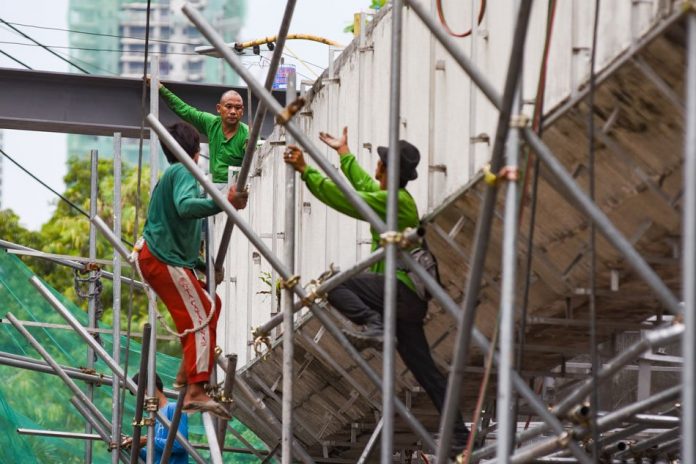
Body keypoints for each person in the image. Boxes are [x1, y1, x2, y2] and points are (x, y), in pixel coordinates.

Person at [283, 127, 470, 457]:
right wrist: (344, 154)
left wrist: (306, 171)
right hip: (405, 302)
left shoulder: (393, 202)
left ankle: (374, 324)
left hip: (397, 292)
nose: (376, 169)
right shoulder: (393, 198)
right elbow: (365, 188)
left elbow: (349, 199)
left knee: (335, 283)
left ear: (387, 169)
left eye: (379, 164)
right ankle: (459, 435)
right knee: (426, 373)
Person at [137, 122, 247, 419]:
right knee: (201, 315)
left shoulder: (171, 175)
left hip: (163, 257)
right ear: (196, 152)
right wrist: (226, 201)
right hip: (161, 259)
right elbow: (186, 208)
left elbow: (175, 229)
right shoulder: (183, 171)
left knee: (211, 305)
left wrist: (200, 265)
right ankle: (195, 391)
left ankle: (188, 373)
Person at [153, 80, 249, 185]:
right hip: (214, 186)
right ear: (219, 108)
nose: (233, 112)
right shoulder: (212, 123)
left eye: (238, 108)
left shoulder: (247, 134)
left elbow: (254, 164)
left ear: (242, 111)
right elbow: (185, 110)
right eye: (229, 106)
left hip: (236, 188)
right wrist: (161, 89)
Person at [123, 372, 189, 464]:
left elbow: (180, 445)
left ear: (147, 388)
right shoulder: (153, 417)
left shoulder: (173, 408)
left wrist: (147, 440)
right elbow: (153, 457)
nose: (139, 399)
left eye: (139, 394)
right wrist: (135, 447)